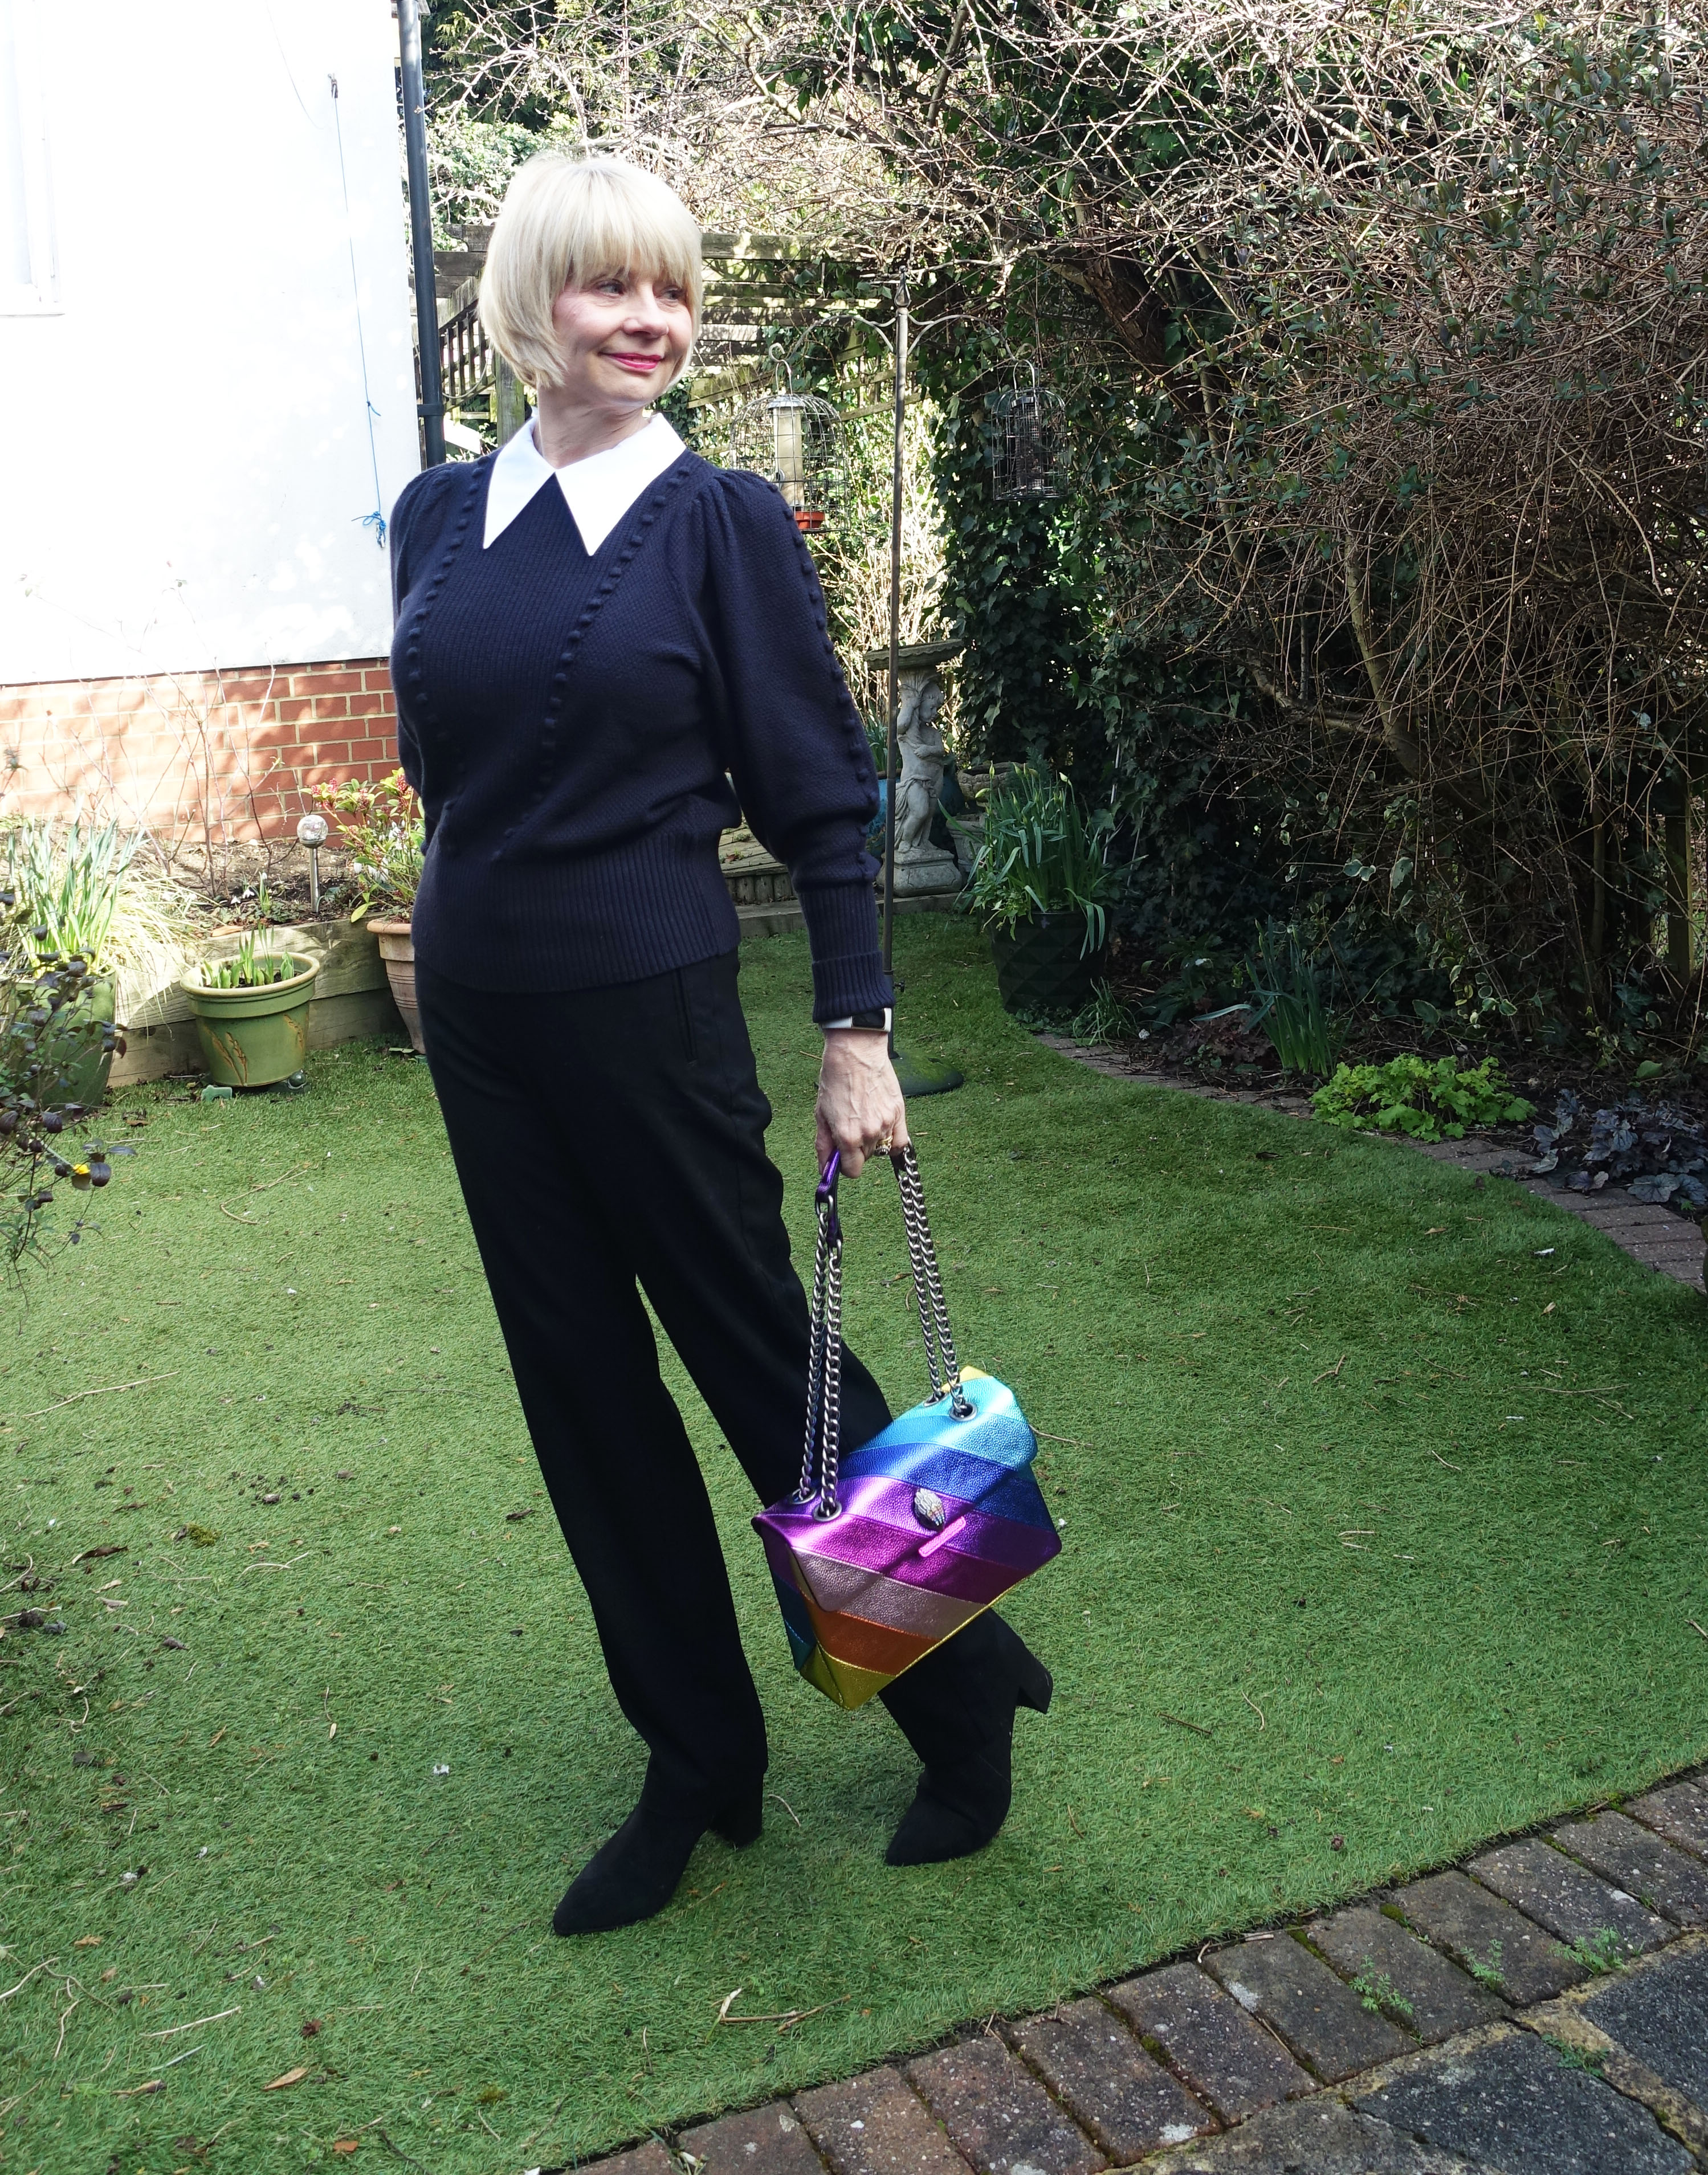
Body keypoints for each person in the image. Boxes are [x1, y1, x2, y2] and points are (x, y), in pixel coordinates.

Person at [387, 153, 1050, 1937]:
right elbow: (440, 768)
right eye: (612, 288)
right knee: (585, 1399)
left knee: (773, 1371)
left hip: (654, 1013)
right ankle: (698, 1757)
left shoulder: (720, 523)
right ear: (533, 303)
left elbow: (824, 804)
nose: (651, 321)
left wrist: (858, 1033)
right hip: (481, 1025)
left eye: (674, 291)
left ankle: (963, 1698)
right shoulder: (437, 518)